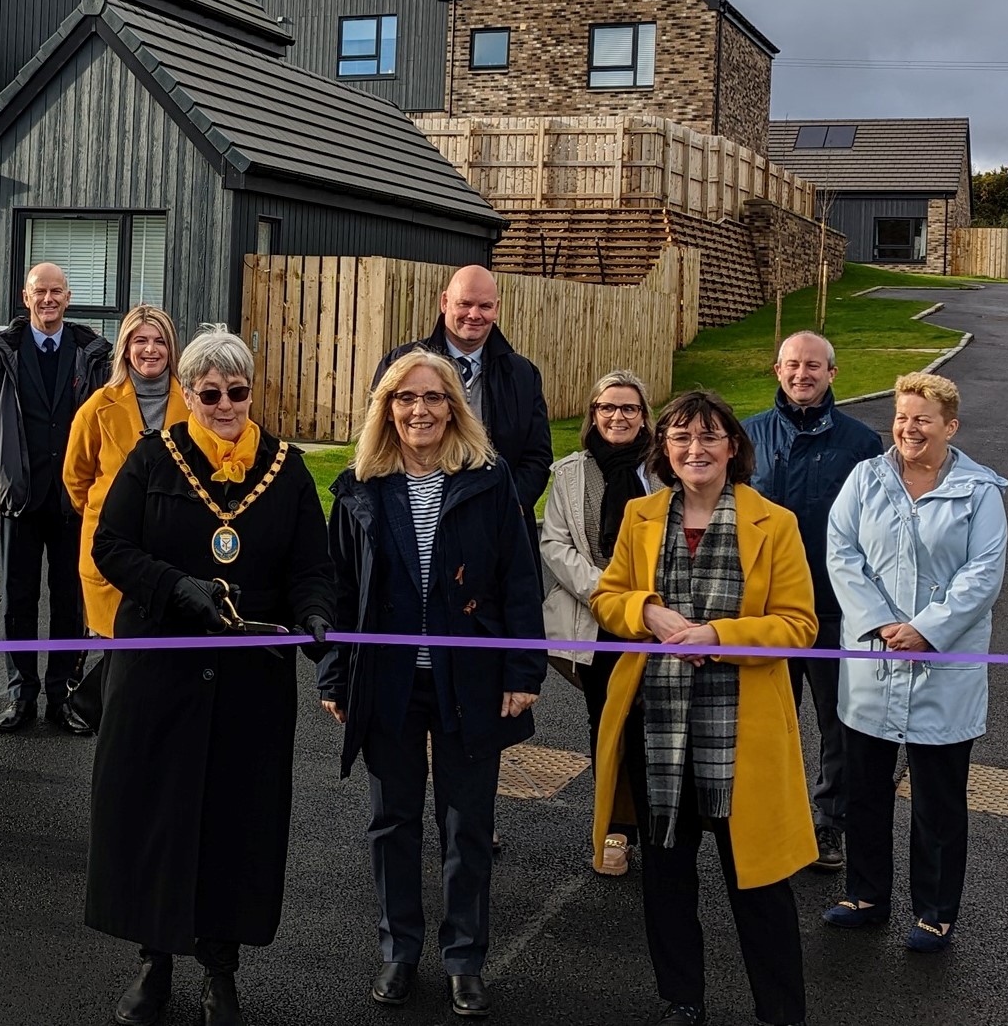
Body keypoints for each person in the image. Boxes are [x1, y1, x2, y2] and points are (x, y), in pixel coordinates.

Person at [86, 328, 335, 1026]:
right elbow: (111, 546)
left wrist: (315, 614)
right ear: (189, 395)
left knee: (237, 821)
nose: (226, 404)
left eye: (239, 391)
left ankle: (220, 970)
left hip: (249, 676)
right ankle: (154, 963)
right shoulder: (153, 457)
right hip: (160, 666)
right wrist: (174, 587)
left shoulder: (285, 468)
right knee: (156, 817)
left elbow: (311, 568)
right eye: (210, 393)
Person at [320, 350, 545, 1018]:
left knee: (467, 825)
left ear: (454, 406)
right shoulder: (359, 485)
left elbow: (520, 583)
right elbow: (335, 591)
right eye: (404, 398)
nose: (419, 410)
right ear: (386, 407)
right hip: (386, 683)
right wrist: (335, 673)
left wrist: (523, 671)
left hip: (469, 680)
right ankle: (398, 952)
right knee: (392, 822)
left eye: (433, 397)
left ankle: (464, 958)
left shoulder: (489, 479)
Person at [590, 389, 817, 1026]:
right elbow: (608, 600)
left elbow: (799, 626)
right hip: (656, 725)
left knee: (760, 882)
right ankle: (682, 1000)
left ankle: (780, 1010)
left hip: (743, 729)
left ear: (733, 448)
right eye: (682, 437)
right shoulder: (639, 515)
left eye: (710, 436)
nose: (696, 449)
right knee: (666, 872)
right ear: (664, 449)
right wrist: (648, 611)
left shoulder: (776, 522)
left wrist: (720, 635)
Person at [822, 372, 1007, 953]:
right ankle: (866, 895)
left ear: (950, 426)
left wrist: (927, 630)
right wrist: (880, 622)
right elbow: (841, 550)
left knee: (938, 800)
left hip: (943, 665)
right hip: (874, 659)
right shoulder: (866, 479)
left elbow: (984, 574)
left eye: (923, 419)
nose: (909, 428)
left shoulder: (981, 492)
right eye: (902, 417)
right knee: (865, 791)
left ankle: (934, 911)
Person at [743, 331, 882, 871]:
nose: (803, 374)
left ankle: (829, 825)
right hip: (761, 610)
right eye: (792, 365)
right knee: (763, 720)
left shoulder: (861, 444)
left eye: (814, 366)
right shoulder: (748, 435)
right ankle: (763, 820)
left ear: (833, 373)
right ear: (776, 370)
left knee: (837, 725)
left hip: (831, 608)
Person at [0, 261, 112, 734]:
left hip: (75, 498)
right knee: (19, 600)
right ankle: (21, 695)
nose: (48, 299)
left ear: (67, 297)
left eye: (56, 291)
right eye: (40, 292)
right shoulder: (1, 352)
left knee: (71, 601)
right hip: (22, 496)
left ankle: (62, 695)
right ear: (25, 296)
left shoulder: (92, 353)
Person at [539, 369, 662, 875]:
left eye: (629, 408)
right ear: (592, 414)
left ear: (643, 417)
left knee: (657, 726)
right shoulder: (568, 472)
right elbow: (554, 544)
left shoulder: (665, 468)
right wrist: (606, 592)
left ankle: (661, 829)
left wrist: (649, 602)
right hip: (598, 620)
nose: (617, 416)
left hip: (658, 618)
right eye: (607, 407)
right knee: (610, 727)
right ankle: (615, 829)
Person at [373, 264, 552, 538]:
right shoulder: (401, 365)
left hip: (497, 527)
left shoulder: (523, 375)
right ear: (445, 302)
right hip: (420, 521)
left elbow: (537, 456)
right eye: (465, 304)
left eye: (485, 306)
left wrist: (509, 505)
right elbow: (380, 440)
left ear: (497, 308)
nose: (474, 315)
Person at [64, 304, 189, 640]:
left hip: (176, 547)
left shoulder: (194, 405)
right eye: (141, 341)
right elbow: (76, 480)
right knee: (118, 669)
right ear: (126, 349)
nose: (151, 350)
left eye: (160, 341)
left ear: (171, 349)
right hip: (114, 551)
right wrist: (110, 512)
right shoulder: (97, 407)